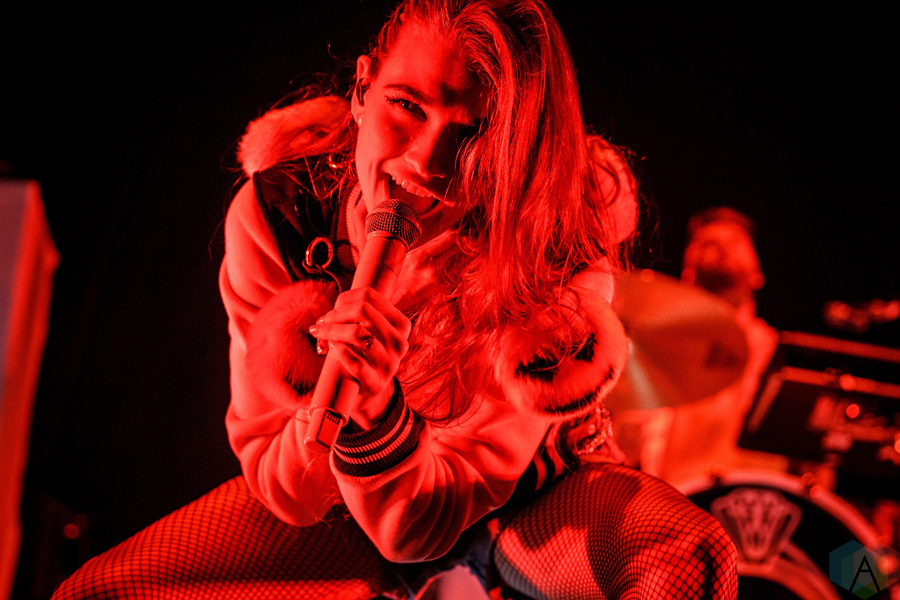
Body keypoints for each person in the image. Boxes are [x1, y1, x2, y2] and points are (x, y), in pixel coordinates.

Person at [51, 1, 737, 598]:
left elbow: (419, 528)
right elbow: (283, 488)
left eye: (474, 133)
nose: (427, 163)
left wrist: (377, 410)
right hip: (346, 513)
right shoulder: (281, 215)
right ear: (361, 87)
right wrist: (347, 402)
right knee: (100, 590)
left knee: (685, 555)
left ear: (515, 149)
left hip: (536, 501)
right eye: (407, 106)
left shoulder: (554, 242)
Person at [622, 207, 789, 487]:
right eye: (705, 242)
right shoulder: (656, 349)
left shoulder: (778, 353)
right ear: (686, 272)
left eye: (735, 241)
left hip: (755, 500)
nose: (720, 244)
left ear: (758, 273)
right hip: (672, 498)